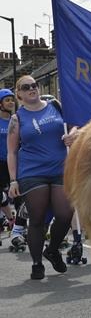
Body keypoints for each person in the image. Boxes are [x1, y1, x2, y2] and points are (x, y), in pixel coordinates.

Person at [7, 75, 77, 279]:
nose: (32, 88)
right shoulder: (17, 119)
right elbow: (11, 152)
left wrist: (73, 135)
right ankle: (37, 263)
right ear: (19, 94)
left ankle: (53, 249)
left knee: (65, 214)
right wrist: (13, 180)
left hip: (60, 169)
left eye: (34, 85)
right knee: (37, 218)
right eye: (25, 87)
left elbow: (74, 125)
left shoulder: (55, 105)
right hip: (32, 172)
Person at [0, 89, 17, 230]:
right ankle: (10, 219)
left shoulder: (16, 119)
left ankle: (19, 226)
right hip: (0, 163)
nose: (11, 102)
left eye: (12, 99)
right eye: (7, 100)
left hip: (14, 162)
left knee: (18, 195)